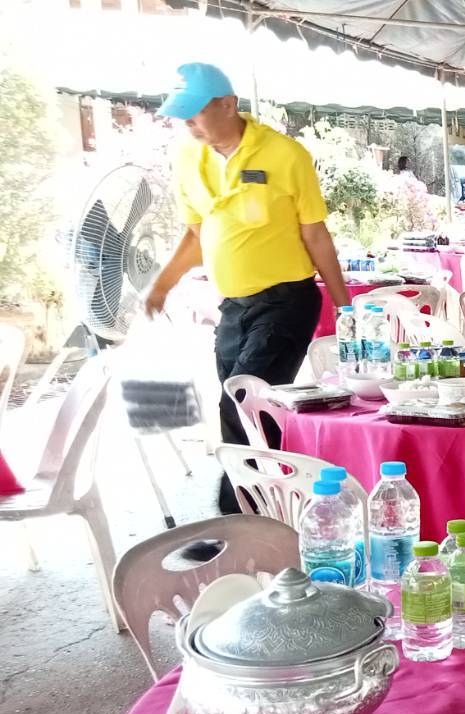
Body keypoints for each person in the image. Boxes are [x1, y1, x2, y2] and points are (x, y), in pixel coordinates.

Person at [143, 62, 348, 515]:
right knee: (254, 414)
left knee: (241, 404)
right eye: (182, 115)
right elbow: (196, 237)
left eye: (195, 112)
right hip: (233, 307)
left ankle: (238, 519)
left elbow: (315, 234)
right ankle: (278, 508)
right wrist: (160, 285)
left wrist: (344, 307)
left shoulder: (284, 155)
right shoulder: (187, 159)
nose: (188, 123)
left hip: (287, 301)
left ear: (228, 104)